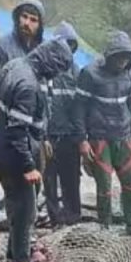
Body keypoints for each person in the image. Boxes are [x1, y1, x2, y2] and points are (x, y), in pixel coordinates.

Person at [0, 38, 74, 262]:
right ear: (50, 61)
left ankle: (13, 253)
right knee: (26, 209)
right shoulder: (28, 84)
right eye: (57, 68)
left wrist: (41, 136)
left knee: (15, 204)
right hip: (14, 156)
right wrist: (28, 166)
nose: (55, 74)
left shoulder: (15, 65)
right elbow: (17, 131)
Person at [77, 30, 131, 235]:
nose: (122, 62)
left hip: (124, 136)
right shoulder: (90, 73)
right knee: (105, 186)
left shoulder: (129, 75)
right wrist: (82, 140)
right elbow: (79, 108)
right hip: (99, 138)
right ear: (110, 55)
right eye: (119, 57)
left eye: (127, 58)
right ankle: (105, 226)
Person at [43, 22, 83, 227]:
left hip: (70, 136)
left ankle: (73, 216)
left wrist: (81, 137)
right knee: (49, 180)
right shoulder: (44, 71)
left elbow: (81, 108)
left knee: (71, 178)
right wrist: (42, 135)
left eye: (70, 45)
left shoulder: (77, 72)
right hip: (49, 136)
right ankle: (54, 217)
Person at [0, 0, 44, 99]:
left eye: (33, 20)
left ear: (40, 26)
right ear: (18, 18)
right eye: (24, 16)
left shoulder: (44, 51)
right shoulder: (1, 46)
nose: (27, 23)